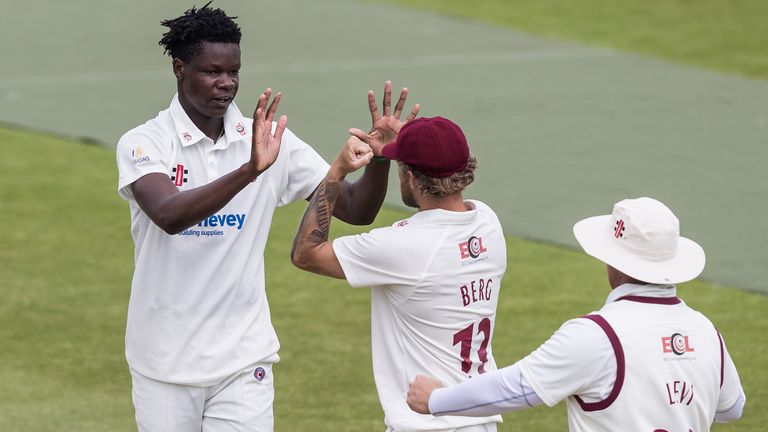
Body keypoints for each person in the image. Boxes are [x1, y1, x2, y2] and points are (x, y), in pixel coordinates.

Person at [115, 3, 418, 431]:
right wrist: (249, 172)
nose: (226, 84)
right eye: (212, 72)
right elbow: (167, 214)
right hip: (163, 362)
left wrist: (381, 159)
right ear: (179, 68)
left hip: (243, 359)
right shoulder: (145, 142)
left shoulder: (270, 140)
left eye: (233, 71)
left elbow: (355, 209)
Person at [407, 197, 746, 431]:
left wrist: (436, 399)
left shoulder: (597, 335)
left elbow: (519, 387)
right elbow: (732, 408)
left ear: (613, 260)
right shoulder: (706, 331)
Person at [291, 116, 507, 431]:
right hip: (479, 418)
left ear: (410, 176)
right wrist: (398, 148)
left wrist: (336, 171)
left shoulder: (404, 245)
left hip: (427, 423)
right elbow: (440, 158)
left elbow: (306, 254)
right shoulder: (487, 221)